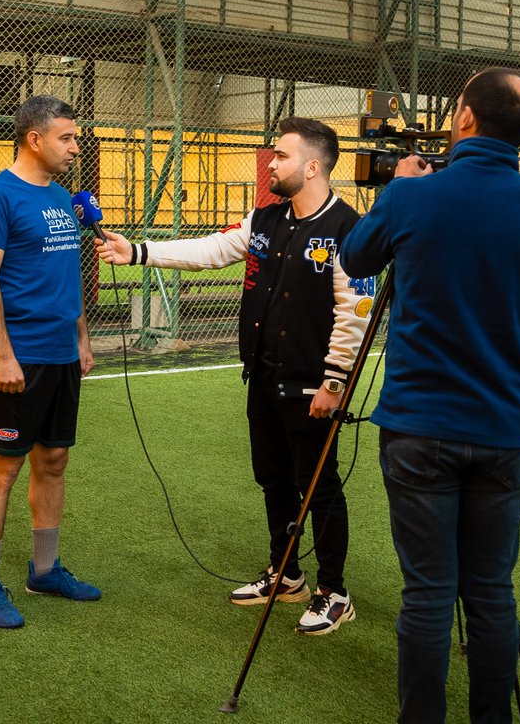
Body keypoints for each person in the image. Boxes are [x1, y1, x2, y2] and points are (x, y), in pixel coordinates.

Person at [339, 68, 520, 722]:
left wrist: (397, 190)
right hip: (504, 433)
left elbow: (357, 259)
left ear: (467, 120)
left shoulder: (413, 198)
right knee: (491, 593)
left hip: (418, 428)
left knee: (427, 593)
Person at [95, 117, 372, 635]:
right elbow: (211, 250)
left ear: (313, 166)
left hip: (314, 387)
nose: (272, 163)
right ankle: (286, 575)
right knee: (273, 478)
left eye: (282, 156)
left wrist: (335, 382)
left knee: (320, 487)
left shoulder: (349, 231)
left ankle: (334, 592)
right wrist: (138, 252)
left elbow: (355, 309)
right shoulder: (266, 220)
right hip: (264, 379)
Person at [0, 95, 100, 630]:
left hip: (62, 355)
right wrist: (3, 355)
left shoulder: (65, 198)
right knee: (2, 469)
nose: (75, 146)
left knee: (54, 462)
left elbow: (67, 278)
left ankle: (44, 570)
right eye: (67, 137)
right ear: (34, 139)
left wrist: (82, 338)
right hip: (15, 360)